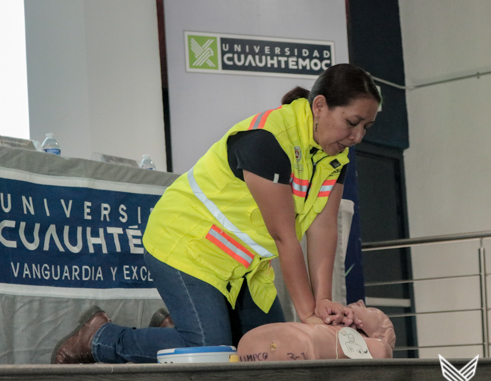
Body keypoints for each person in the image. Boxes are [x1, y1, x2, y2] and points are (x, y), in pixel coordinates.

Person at [52, 63, 381, 364]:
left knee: (272, 352)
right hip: (186, 245)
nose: (357, 137)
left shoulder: (337, 156)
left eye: (366, 127)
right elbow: (285, 235)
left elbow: (323, 229)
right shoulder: (269, 140)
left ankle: (176, 326)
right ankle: (98, 339)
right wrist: (308, 314)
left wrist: (323, 300)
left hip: (241, 268)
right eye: (352, 123)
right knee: (210, 351)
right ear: (320, 106)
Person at [236, 300, 396, 361]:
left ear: (379, 335)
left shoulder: (369, 345)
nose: (360, 303)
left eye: (372, 310)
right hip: (257, 344)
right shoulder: (330, 324)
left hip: (292, 352)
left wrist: (382, 345)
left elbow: (382, 352)